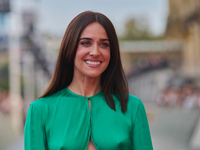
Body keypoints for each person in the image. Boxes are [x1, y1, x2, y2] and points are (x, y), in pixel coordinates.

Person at [24, 11, 153, 150]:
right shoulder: (40, 110)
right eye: (86, 43)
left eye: (104, 44)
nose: (95, 52)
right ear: (70, 47)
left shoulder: (133, 107)